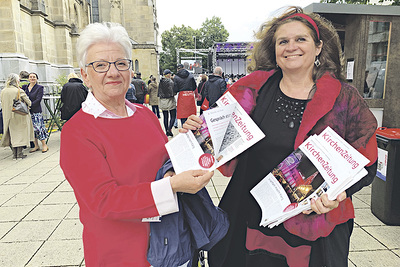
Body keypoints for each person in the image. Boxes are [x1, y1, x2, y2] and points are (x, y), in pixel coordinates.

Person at [183, 7, 377, 267]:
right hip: (253, 218)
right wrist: (197, 129)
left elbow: (367, 159)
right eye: (282, 41)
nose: (291, 47)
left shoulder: (345, 98)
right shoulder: (254, 88)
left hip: (316, 223)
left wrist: (339, 194)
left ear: (318, 47)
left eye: (301, 39)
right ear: (274, 50)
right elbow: (218, 134)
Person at [59, 22, 213, 267]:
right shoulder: (77, 131)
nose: (113, 72)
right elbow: (103, 200)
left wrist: (188, 139)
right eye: (100, 65)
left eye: (121, 63)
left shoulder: (144, 114)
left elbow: (163, 161)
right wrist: (172, 186)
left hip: (171, 241)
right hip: (121, 252)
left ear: (130, 70)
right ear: (85, 74)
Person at [0, 73, 34, 159]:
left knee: (12, 134)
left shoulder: (3, 91)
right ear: (16, 81)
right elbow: (29, 102)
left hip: (7, 115)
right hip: (19, 115)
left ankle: (14, 154)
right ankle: (19, 153)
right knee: (20, 134)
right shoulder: (18, 90)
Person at [22, 72, 49, 153]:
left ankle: (44, 145)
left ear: (36, 79)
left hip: (36, 111)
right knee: (31, 129)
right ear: (28, 78)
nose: (32, 78)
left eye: (34, 77)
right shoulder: (25, 87)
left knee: (39, 128)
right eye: (31, 77)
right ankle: (36, 145)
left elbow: (38, 99)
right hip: (27, 111)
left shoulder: (39, 87)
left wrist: (30, 105)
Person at [158, 69, 177, 137]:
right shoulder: (170, 82)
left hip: (162, 100)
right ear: (168, 74)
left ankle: (167, 131)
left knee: (165, 117)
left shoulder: (160, 81)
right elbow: (173, 91)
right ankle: (169, 129)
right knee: (173, 116)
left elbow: (159, 92)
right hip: (170, 100)